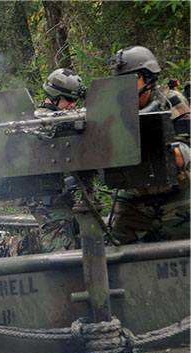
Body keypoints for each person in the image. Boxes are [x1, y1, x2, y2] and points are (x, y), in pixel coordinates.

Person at [107, 45, 190, 244]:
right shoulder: (114, 109)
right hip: (134, 198)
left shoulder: (170, 101)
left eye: (131, 79)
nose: (124, 86)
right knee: (114, 254)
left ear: (148, 77)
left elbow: (185, 151)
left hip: (176, 194)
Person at [30, 68, 87, 252]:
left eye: (75, 100)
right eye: (69, 99)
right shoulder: (38, 119)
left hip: (65, 201)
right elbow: (52, 122)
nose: (73, 104)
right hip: (50, 205)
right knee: (61, 261)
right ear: (55, 97)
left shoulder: (64, 116)